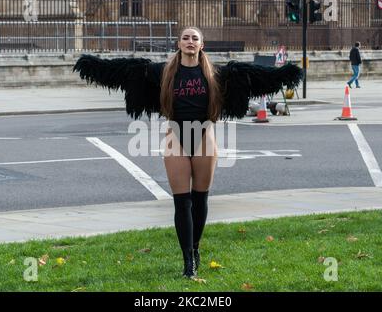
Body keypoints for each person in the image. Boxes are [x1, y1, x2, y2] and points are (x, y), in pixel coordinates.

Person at [73, 27, 303, 279]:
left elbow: (257, 77)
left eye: (195, 38)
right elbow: (125, 71)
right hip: (175, 137)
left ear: (202, 44)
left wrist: (285, 73)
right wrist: (93, 65)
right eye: (186, 38)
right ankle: (188, 263)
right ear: (179, 43)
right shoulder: (163, 71)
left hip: (205, 135)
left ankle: (195, 248)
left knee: (200, 199)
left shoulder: (215, 73)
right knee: (182, 202)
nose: (190, 41)